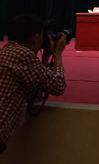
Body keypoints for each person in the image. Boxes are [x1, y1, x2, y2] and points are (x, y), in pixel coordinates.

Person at [0, 14, 67, 155]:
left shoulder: (5, 52)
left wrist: (45, 58)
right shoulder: (23, 55)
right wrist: (57, 55)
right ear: (36, 37)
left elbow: (35, 90)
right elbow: (58, 86)